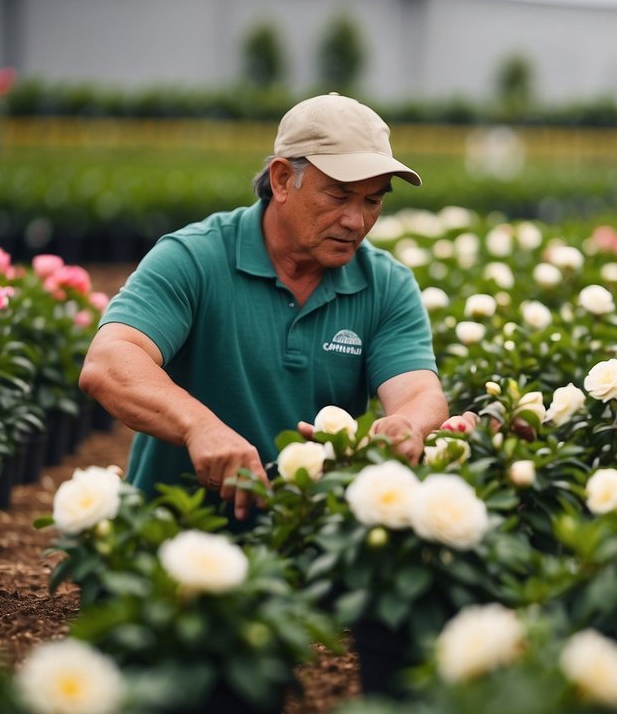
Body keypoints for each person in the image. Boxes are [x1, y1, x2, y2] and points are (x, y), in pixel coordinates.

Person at [80, 93, 449, 525]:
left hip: (309, 543)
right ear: (280, 180)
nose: (356, 221)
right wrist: (199, 426)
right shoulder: (194, 258)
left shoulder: (386, 283)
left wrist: (406, 424)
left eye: (372, 201)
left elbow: (419, 392)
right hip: (172, 541)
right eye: (339, 196)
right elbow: (108, 361)